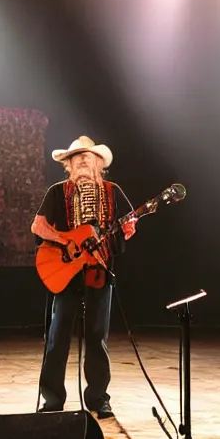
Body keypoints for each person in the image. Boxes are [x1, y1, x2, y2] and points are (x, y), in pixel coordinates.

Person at [31, 135, 138, 419]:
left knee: (96, 337)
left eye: (86, 156)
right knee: (57, 337)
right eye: (75, 157)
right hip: (65, 273)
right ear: (67, 165)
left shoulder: (113, 191)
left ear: (98, 163)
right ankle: (52, 399)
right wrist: (65, 240)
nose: (81, 160)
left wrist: (129, 227)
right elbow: (38, 226)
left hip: (98, 272)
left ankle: (98, 398)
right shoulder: (57, 191)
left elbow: (128, 225)